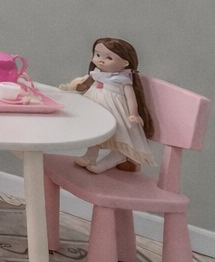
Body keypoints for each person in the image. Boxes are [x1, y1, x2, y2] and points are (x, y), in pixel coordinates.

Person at [66, 37, 155, 173]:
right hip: (98, 110)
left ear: (125, 62)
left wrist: (133, 114)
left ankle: (115, 158)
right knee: (96, 132)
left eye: (109, 58)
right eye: (97, 55)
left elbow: (131, 97)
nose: (101, 60)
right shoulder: (97, 74)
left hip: (115, 112)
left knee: (119, 136)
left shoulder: (122, 79)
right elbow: (86, 84)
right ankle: (89, 156)